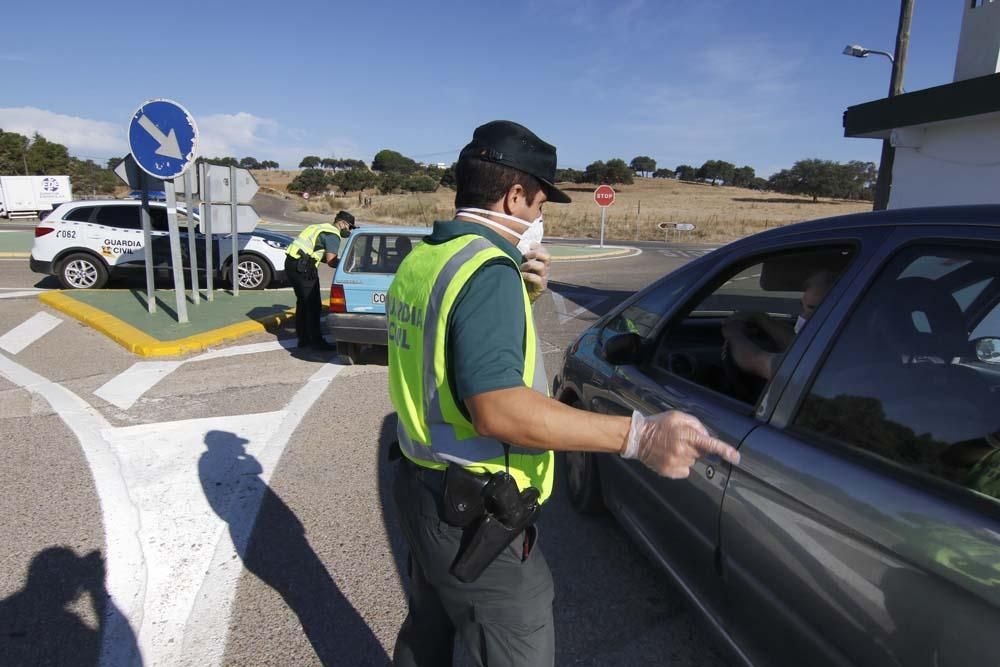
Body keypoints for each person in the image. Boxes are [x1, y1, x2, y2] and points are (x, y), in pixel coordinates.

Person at [386, 120, 740, 667]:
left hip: (419, 485)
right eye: (539, 204)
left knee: (428, 632)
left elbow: (445, 356)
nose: (540, 218)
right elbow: (498, 408)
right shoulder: (487, 272)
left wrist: (520, 300)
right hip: (473, 511)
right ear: (515, 194)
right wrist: (638, 436)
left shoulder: (425, 258)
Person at [721, 270, 838, 381]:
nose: (803, 315)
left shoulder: (823, 357)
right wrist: (760, 318)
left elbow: (753, 360)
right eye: (802, 306)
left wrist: (733, 333)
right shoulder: (834, 341)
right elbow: (796, 343)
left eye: (813, 308)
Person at [284, 210, 355, 350]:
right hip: (304, 268)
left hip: (291, 264)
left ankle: (303, 339)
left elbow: (317, 252)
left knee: (303, 302)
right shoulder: (333, 234)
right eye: (350, 227)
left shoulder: (319, 227)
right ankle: (316, 341)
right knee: (314, 305)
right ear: (342, 223)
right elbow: (331, 261)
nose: (350, 230)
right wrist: (348, 265)